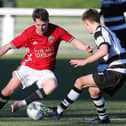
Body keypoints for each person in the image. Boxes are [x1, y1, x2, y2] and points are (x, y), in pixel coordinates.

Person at [0, 8, 93, 112]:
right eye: (38, 25)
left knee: (51, 85)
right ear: (34, 22)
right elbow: (8, 46)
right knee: (7, 90)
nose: (41, 28)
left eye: (43, 24)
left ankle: (21, 103)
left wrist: (85, 47)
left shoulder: (57, 31)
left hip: (46, 70)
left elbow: (73, 41)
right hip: (28, 67)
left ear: (48, 21)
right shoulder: (28, 34)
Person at [48, 8, 126, 124]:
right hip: (120, 70)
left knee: (80, 82)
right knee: (94, 90)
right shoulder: (106, 30)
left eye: (85, 26)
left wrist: (85, 61)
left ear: (87, 23)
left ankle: (59, 110)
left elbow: (104, 50)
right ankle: (103, 117)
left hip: (117, 71)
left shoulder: (99, 32)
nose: (86, 28)